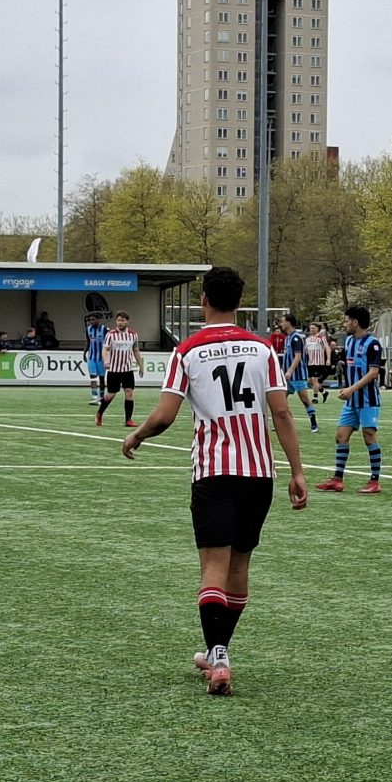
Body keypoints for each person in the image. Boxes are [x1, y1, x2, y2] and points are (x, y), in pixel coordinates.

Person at [122, 265, 308, 696]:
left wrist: (137, 434)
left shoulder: (186, 351)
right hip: (259, 473)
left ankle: (218, 653)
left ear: (203, 300)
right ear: (239, 303)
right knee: (239, 566)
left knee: (212, 567)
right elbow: (281, 412)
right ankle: (218, 650)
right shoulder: (262, 349)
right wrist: (297, 471)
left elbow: (165, 416)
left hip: (214, 472)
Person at [315, 305, 386, 494]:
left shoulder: (373, 344)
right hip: (351, 400)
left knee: (369, 437)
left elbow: (373, 373)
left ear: (355, 322)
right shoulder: (348, 342)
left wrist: (352, 388)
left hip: (368, 399)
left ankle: (375, 481)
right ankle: (337, 479)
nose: (345, 323)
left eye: (347, 320)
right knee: (341, 436)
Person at [96, 311, 141, 428]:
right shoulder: (111, 334)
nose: (120, 323)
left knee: (129, 393)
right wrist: (106, 361)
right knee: (111, 395)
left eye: (122, 320)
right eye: (118, 320)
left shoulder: (133, 335)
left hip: (127, 370)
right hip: (114, 370)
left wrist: (141, 365)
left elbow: (136, 350)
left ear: (127, 321)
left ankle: (128, 420)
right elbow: (105, 349)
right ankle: (100, 413)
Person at [277, 313, 319, 432]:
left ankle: (314, 423)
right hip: (287, 376)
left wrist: (290, 371)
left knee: (305, 400)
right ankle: (287, 423)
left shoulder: (296, 338)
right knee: (281, 400)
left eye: (283, 321)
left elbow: (298, 356)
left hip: (297, 375)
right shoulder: (287, 337)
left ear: (289, 323)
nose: (281, 324)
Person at [84, 311, 109, 404]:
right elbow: (88, 341)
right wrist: (84, 353)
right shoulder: (88, 329)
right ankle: (94, 397)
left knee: (102, 378)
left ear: (98, 320)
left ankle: (101, 397)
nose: (91, 321)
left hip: (101, 358)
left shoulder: (105, 329)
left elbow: (110, 342)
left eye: (93, 319)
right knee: (93, 377)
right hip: (91, 357)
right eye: (90, 320)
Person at [305, 321, 331, 402]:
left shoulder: (321, 338)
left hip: (318, 362)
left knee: (314, 379)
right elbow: (305, 351)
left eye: (314, 328)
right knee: (310, 381)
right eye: (311, 328)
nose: (312, 329)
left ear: (318, 329)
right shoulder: (307, 339)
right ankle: (324, 392)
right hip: (310, 362)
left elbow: (327, 348)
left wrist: (328, 359)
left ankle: (315, 397)